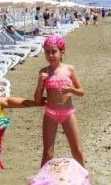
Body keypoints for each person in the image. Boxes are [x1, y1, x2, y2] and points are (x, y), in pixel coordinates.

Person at [35, 35, 85, 167]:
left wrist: (72, 90)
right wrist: (40, 84)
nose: (50, 55)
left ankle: (85, 179)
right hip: (50, 114)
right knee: (48, 153)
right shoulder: (43, 72)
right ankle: (41, 180)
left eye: (54, 51)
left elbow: (81, 91)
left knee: (77, 151)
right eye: (47, 52)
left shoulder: (69, 69)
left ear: (62, 52)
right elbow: (37, 100)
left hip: (68, 113)